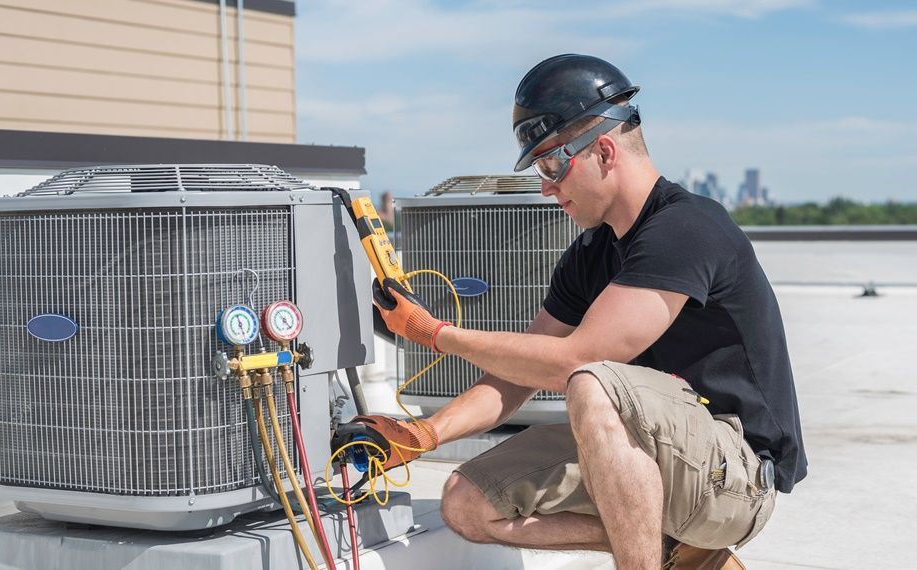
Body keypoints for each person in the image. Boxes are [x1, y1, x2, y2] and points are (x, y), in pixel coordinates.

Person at [335, 54, 807, 569]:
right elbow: (517, 378)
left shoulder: (686, 229)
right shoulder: (590, 253)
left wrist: (435, 333)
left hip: (736, 474)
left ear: (604, 150)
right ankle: (676, 553)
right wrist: (427, 433)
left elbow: (574, 361)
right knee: (468, 503)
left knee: (591, 383)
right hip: (662, 458)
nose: (546, 186)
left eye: (551, 164)